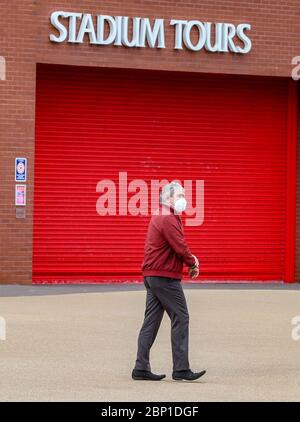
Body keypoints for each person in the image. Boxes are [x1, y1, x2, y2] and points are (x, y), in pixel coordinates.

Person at [132, 181, 206, 381]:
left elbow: (176, 246)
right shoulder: (167, 217)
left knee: (151, 322)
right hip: (164, 277)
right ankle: (181, 369)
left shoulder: (163, 214)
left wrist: (189, 261)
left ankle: (141, 367)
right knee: (181, 317)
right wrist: (193, 263)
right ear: (168, 197)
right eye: (181, 195)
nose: (184, 199)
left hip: (153, 275)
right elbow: (179, 246)